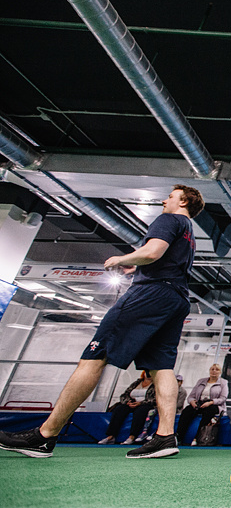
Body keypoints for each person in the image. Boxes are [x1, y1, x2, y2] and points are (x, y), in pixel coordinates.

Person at [0, 185, 204, 459]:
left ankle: (44, 435)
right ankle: (165, 436)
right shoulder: (189, 232)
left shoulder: (170, 219)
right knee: (161, 365)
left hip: (150, 293)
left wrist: (124, 258)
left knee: (94, 356)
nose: (165, 200)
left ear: (184, 202)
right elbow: (162, 259)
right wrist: (139, 265)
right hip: (176, 297)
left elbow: (153, 251)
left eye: (170, 196)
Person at [97, 371, 156, 445]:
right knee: (119, 409)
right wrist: (127, 402)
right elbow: (125, 394)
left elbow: (156, 398)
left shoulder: (156, 384)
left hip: (146, 404)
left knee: (140, 412)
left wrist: (141, 403)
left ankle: (132, 437)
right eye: (147, 372)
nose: (148, 374)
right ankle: (111, 436)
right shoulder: (136, 383)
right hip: (132, 403)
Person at [176, 363, 229, 445]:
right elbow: (191, 396)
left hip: (213, 404)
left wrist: (211, 402)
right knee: (187, 411)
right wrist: (192, 401)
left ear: (220, 372)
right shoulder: (201, 381)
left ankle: (197, 437)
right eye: (212, 369)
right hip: (199, 403)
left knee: (208, 412)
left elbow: (223, 398)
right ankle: (178, 436)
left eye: (217, 369)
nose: (214, 371)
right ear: (209, 371)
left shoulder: (223, 382)